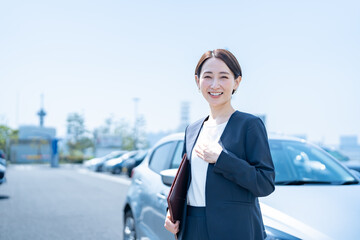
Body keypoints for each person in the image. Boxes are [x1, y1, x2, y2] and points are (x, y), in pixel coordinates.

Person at [164, 49, 275, 240]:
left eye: (223, 77)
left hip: (234, 230)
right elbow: (187, 180)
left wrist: (223, 159)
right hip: (192, 227)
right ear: (197, 81)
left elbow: (265, 184)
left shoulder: (249, 125)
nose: (215, 85)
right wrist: (172, 212)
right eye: (208, 77)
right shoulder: (192, 129)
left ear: (236, 82)